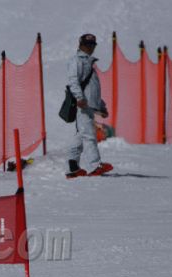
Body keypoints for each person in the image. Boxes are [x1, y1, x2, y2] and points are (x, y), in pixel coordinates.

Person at [66, 33, 114, 178]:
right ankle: (95, 165)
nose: (90, 47)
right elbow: (73, 81)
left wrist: (101, 107)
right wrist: (79, 98)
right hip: (83, 105)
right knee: (88, 135)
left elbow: (93, 89)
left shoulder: (89, 62)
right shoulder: (77, 61)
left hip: (88, 105)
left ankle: (73, 168)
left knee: (81, 136)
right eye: (87, 45)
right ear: (80, 45)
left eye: (92, 45)